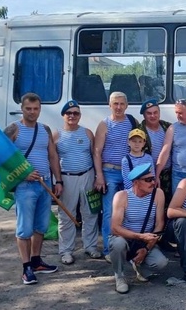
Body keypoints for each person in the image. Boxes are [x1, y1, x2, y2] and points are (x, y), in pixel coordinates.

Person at [4, 92, 63, 285]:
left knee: (41, 227)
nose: (32, 112)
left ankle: (37, 261)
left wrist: (58, 180)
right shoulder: (14, 129)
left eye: (35, 108)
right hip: (25, 186)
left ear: (40, 109)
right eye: (28, 109)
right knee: (24, 229)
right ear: (22, 109)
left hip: (44, 184)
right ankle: (26, 267)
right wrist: (22, 174)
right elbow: (1, 157)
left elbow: (52, 156)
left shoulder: (44, 129)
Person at [53, 100, 100, 266]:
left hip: (87, 175)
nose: (72, 116)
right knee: (67, 214)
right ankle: (66, 250)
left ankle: (91, 246)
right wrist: (57, 181)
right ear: (63, 115)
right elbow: (54, 160)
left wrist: (97, 177)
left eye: (76, 113)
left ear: (80, 115)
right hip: (67, 177)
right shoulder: (56, 135)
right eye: (69, 113)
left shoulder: (87, 133)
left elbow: (95, 155)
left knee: (90, 213)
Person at [109, 163, 169, 294]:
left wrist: (146, 248)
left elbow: (159, 224)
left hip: (146, 240)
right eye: (148, 180)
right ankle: (119, 276)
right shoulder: (122, 196)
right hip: (126, 238)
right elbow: (115, 228)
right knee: (117, 244)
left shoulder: (158, 194)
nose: (153, 182)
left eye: (153, 178)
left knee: (161, 262)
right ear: (136, 182)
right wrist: (140, 236)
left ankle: (140, 267)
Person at [93, 91, 139, 262]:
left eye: (121, 104)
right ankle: (109, 249)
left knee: (128, 211)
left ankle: (127, 247)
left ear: (126, 105)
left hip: (128, 172)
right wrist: (99, 176)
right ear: (109, 105)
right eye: (115, 104)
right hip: (110, 172)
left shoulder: (132, 122)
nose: (118, 107)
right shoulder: (104, 125)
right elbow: (97, 152)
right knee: (110, 213)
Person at [156, 99, 186, 192]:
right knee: (177, 204)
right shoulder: (172, 128)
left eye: (181, 113)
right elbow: (165, 151)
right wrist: (157, 175)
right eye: (176, 113)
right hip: (178, 174)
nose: (178, 116)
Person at [138, 99, 172, 203]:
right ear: (144, 115)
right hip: (148, 175)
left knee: (168, 202)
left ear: (159, 113)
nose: (153, 116)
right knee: (151, 203)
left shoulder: (168, 127)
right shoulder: (139, 131)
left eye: (155, 112)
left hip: (168, 173)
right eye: (149, 113)